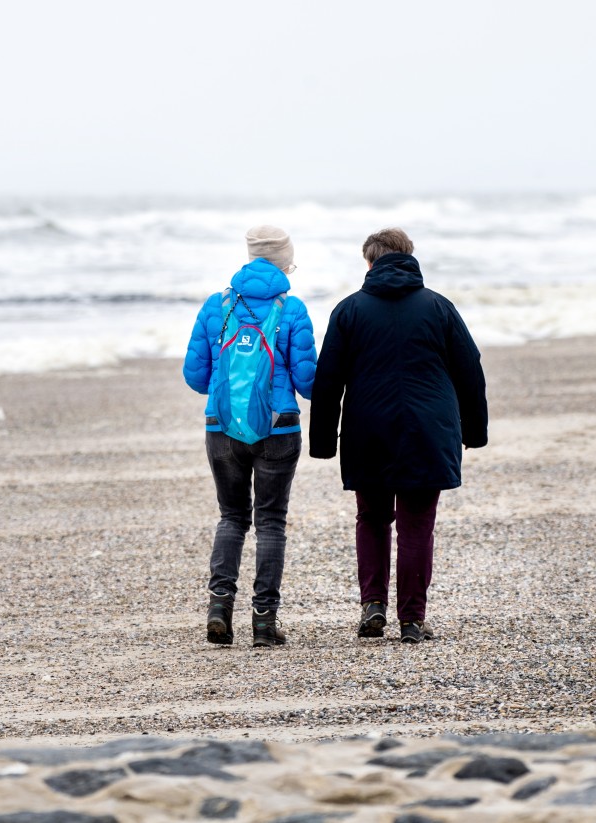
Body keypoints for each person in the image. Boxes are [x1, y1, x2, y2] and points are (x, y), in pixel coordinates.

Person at [309, 228, 487, 644]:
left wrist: (322, 441)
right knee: (416, 525)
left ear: (368, 263)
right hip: (428, 430)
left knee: (371, 518)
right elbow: (470, 371)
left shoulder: (349, 310)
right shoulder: (439, 307)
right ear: (408, 257)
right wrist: (474, 431)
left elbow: (328, 379)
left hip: (366, 430)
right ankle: (411, 619)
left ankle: (373, 606)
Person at [183, 225, 318, 648]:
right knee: (271, 522)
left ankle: (219, 609)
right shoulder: (292, 308)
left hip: (221, 427)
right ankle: (264, 621)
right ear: (284, 260)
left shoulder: (217, 304)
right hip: (279, 427)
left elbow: (195, 376)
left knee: (232, 518)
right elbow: (309, 381)